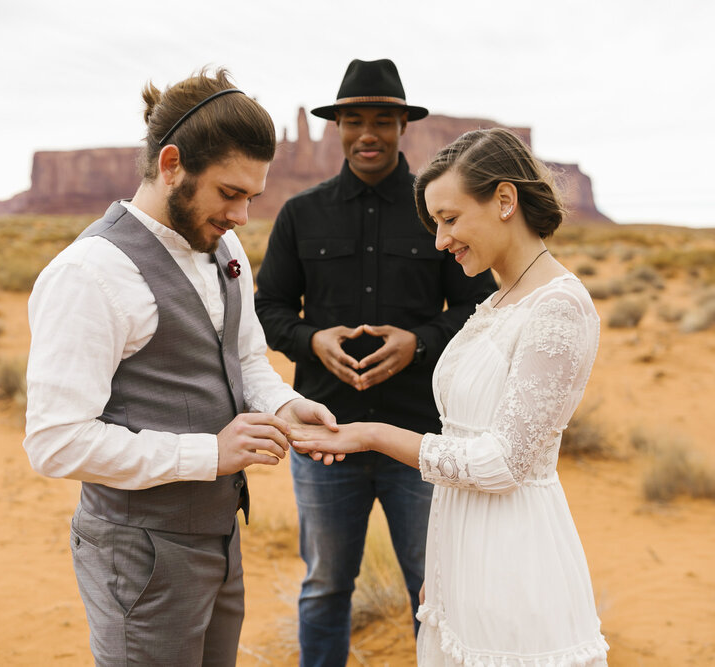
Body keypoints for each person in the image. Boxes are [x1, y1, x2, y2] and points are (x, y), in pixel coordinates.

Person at [22, 67, 336, 667]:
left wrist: (283, 404)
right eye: (228, 193)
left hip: (219, 539)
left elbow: (245, 359)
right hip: (140, 558)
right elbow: (55, 442)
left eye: (252, 196)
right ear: (172, 165)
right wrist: (207, 455)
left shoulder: (224, 246)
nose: (242, 215)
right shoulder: (89, 274)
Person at [291, 128, 610, 666]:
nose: (439, 242)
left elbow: (504, 462)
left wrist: (371, 435)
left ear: (505, 200)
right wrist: (440, 572)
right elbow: (462, 436)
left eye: (450, 219)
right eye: (435, 223)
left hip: (511, 557)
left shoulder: (557, 307)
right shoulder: (498, 298)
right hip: (462, 555)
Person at [254, 59, 496, 665]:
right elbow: (270, 307)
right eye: (354, 119)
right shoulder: (300, 214)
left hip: (418, 436)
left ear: (402, 126)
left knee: (434, 587)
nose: (368, 133)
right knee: (326, 585)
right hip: (325, 436)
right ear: (336, 126)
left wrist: (420, 341)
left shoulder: (437, 211)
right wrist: (312, 341)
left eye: (382, 120)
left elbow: (476, 306)